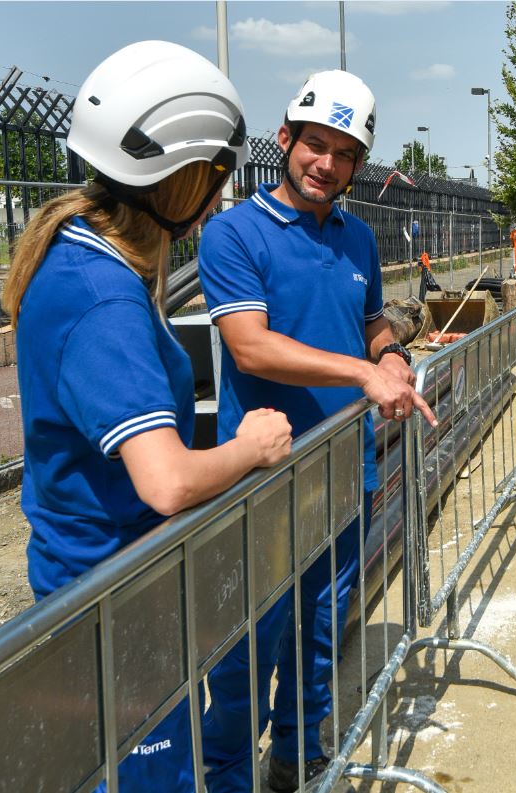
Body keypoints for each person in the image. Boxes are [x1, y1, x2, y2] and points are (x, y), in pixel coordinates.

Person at [3, 41, 293, 792]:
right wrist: (251, 445)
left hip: (105, 586)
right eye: (218, 176)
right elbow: (163, 481)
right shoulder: (104, 298)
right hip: (112, 602)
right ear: (187, 180)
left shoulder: (77, 253)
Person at [196, 69, 437, 793]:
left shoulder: (357, 239)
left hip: (342, 470)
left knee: (322, 632)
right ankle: (231, 776)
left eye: (342, 152)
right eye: (314, 145)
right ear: (285, 139)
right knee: (249, 643)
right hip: (264, 478)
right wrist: (363, 378)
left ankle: (297, 758)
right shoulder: (234, 233)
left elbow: (368, 325)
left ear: (358, 165)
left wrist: (389, 356)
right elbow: (250, 345)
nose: (325, 163)